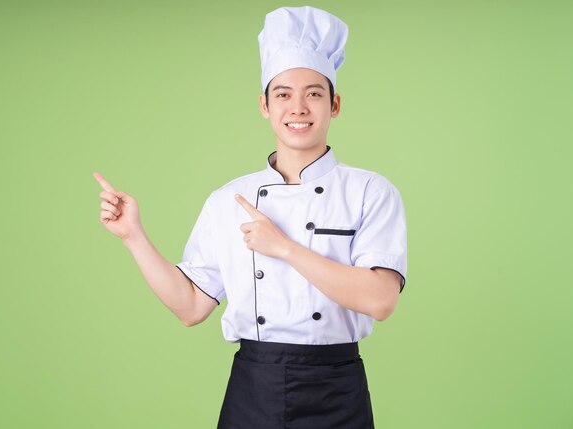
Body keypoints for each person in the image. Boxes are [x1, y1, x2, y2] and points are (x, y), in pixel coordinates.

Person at [93, 6, 407, 428]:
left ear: (334, 104)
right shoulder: (229, 199)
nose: (298, 107)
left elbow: (380, 300)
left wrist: (284, 248)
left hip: (338, 386)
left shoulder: (371, 191)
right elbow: (190, 306)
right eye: (283, 94)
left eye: (314, 93)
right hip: (253, 388)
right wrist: (133, 236)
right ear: (264, 105)